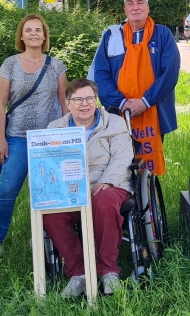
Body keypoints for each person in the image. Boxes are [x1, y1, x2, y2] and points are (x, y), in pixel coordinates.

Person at [42, 79, 134, 297]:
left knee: (104, 201)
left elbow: (122, 158)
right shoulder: (55, 128)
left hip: (111, 182)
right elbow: (47, 164)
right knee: (51, 212)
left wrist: (108, 180)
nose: (85, 104)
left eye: (90, 98)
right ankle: (79, 272)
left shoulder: (115, 123)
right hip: (71, 188)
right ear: (68, 103)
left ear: (96, 100)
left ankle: (108, 271)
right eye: (78, 99)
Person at [0, 14, 69, 257]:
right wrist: (1, 139)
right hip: (18, 137)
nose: (34, 33)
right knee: (8, 189)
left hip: (49, 138)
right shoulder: (10, 64)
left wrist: (68, 136)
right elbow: (0, 105)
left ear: (44, 36)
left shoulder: (56, 66)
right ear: (21, 36)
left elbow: (64, 103)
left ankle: (41, 235)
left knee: (47, 191)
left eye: (38, 30)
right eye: (28, 30)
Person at [91, 0, 180, 175]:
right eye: (130, 4)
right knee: (118, 164)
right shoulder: (112, 36)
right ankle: (125, 202)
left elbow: (169, 72)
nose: (135, 7)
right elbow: (101, 73)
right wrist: (121, 102)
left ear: (148, 8)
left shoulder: (163, 35)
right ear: (124, 10)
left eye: (140, 3)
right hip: (119, 112)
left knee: (147, 171)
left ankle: (148, 201)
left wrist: (145, 101)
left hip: (154, 110)